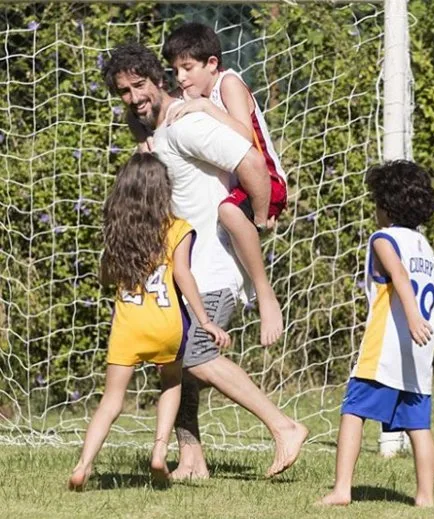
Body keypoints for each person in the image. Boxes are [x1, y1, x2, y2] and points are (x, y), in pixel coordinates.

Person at [102, 43, 308, 481]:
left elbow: (251, 159)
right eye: (125, 90)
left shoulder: (187, 124)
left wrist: (259, 214)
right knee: (174, 363)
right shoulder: (151, 130)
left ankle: (284, 426)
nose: (135, 96)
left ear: (160, 80)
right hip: (184, 269)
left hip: (213, 266)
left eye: (141, 85)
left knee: (195, 357)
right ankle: (192, 460)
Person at [68, 153, 230, 491]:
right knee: (171, 382)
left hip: (127, 326)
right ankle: (159, 452)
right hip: (166, 325)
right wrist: (205, 321)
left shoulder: (117, 231)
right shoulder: (178, 229)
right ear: (164, 190)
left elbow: (105, 277)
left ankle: (83, 465)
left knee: (111, 400)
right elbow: (183, 276)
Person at [131, 22, 286, 348]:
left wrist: (206, 107)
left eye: (188, 68)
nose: (182, 77)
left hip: (266, 178)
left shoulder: (227, 84)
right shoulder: (192, 93)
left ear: (212, 64)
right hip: (242, 181)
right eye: (175, 70)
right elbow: (154, 105)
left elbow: (246, 139)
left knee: (228, 213)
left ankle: (265, 294)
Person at [319, 160, 434, 507]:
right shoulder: (425, 247)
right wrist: (418, 323)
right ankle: (425, 497)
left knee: (353, 411)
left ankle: (342, 490)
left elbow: (399, 276)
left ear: (385, 206)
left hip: (385, 347)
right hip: (418, 353)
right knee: (419, 425)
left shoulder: (383, 238)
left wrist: (412, 316)